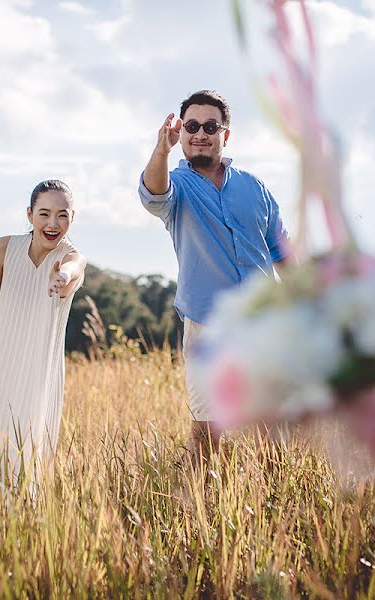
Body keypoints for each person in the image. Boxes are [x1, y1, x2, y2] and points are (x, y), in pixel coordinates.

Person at [138, 89, 290, 461]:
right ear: (181, 131)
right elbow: (152, 195)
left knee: (273, 429)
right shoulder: (177, 186)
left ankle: (277, 509)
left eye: (210, 126)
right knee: (207, 433)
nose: (200, 133)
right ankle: (198, 510)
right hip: (207, 324)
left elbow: (282, 250)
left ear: (226, 133)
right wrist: (162, 149)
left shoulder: (255, 187)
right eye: (191, 126)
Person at [0, 179, 87, 494]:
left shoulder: (72, 256)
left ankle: (15, 529)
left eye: (62, 215)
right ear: (29, 215)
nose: (53, 224)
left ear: (72, 217)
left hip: (35, 376)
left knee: (23, 455)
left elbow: (73, 269)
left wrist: (62, 277)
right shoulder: (4, 247)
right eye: (44, 214)